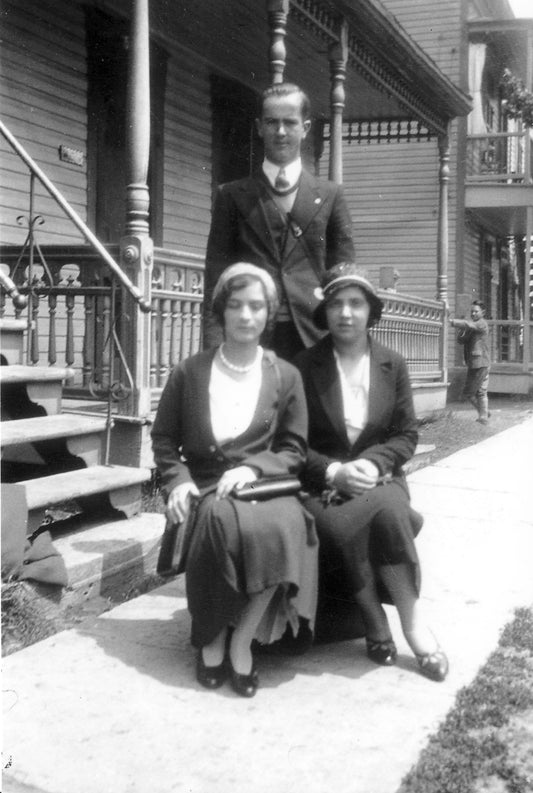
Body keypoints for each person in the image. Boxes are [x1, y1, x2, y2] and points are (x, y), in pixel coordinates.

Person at [151, 263, 318, 697]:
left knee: (285, 526)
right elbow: (165, 440)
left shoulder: (285, 375)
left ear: (268, 314)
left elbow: (294, 448)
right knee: (218, 521)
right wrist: (178, 481)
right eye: (237, 305)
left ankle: (242, 638)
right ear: (221, 310)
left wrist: (253, 467)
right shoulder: (190, 372)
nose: (246, 315)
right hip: (207, 483)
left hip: (263, 484)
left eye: (257, 307)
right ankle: (211, 637)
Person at [294, 263, 449, 682]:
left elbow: (406, 435)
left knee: (389, 511)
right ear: (324, 313)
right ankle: (374, 619)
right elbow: (290, 445)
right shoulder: (304, 367)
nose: (346, 313)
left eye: (356, 303)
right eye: (337, 304)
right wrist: (334, 471)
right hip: (325, 487)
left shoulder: (391, 364)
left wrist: (372, 463)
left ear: (371, 311)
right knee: (346, 525)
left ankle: (412, 626)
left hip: (381, 479)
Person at [203, 82, 355, 360]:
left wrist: (347, 347)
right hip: (251, 339)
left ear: (305, 128)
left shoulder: (331, 196)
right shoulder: (232, 196)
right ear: (260, 127)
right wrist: (214, 351)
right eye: (272, 122)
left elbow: (343, 279)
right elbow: (216, 280)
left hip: (314, 340)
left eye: (290, 122)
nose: (281, 132)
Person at [450, 301, 490, 424]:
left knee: (471, 393)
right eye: (472, 311)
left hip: (479, 363)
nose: (473, 313)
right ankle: (484, 413)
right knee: (479, 392)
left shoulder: (482, 324)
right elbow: (461, 340)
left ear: (483, 313)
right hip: (476, 363)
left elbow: (468, 325)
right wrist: (462, 327)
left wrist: (452, 322)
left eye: (476, 311)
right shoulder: (472, 325)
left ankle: (483, 416)